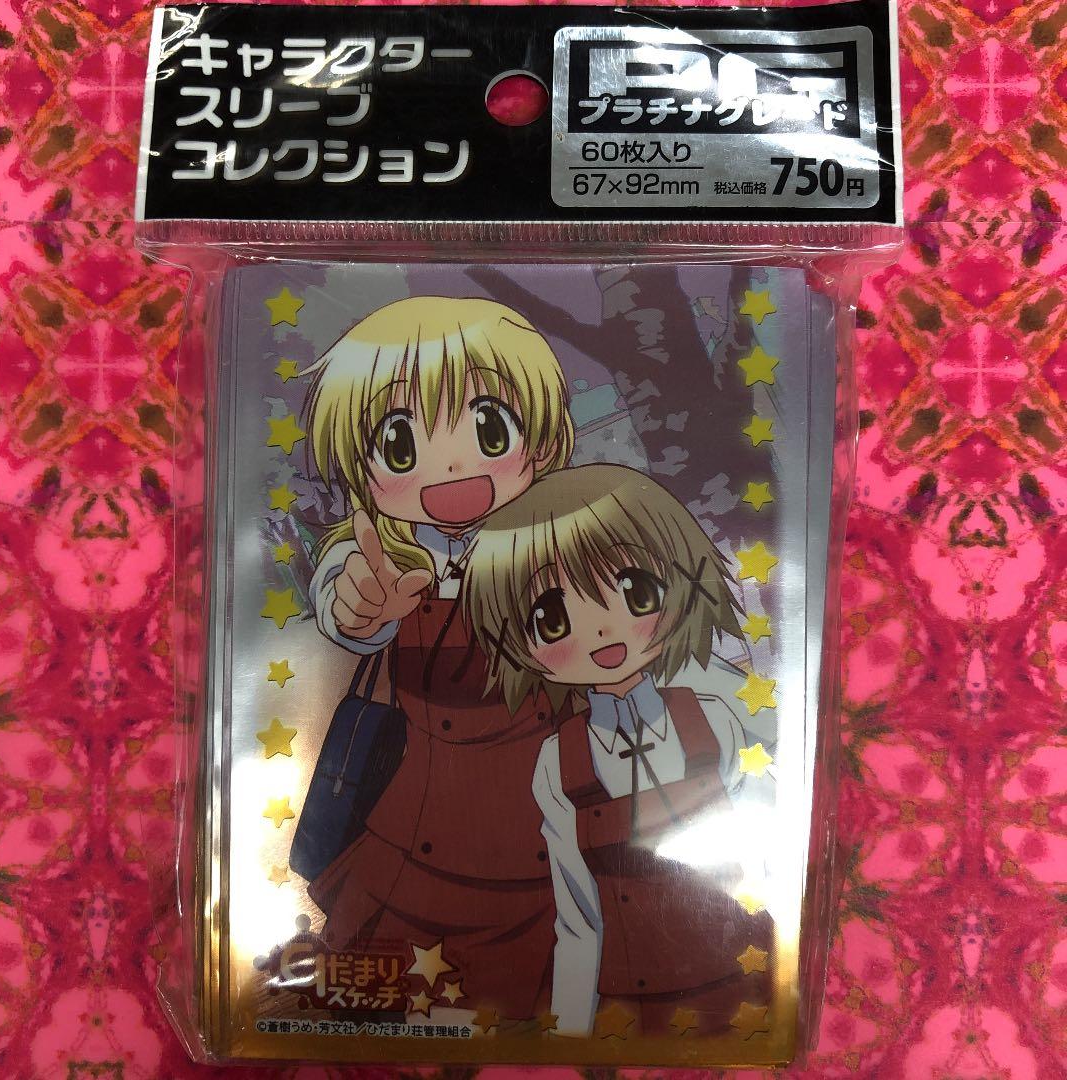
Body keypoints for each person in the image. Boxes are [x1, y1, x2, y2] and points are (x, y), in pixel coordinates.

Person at [303, 295, 575, 1022]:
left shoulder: (556, 540)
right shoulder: (375, 551)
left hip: (538, 796)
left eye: (490, 428)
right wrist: (363, 609)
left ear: (541, 440)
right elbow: (344, 600)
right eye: (400, 444)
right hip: (422, 802)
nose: (453, 468)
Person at [465, 463, 776, 1036]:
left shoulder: (713, 719)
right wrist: (570, 1036)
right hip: (632, 1008)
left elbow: (773, 853)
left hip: (745, 982)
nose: (603, 629)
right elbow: (578, 916)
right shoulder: (558, 762)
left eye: (634, 591)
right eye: (552, 618)